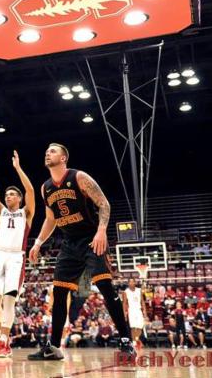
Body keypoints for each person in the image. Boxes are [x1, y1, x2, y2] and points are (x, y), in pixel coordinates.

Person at [28, 143, 135, 360]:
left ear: (64, 157)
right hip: (69, 243)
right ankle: (54, 348)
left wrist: (101, 231)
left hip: (91, 238)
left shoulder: (79, 177)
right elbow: (51, 219)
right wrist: (38, 242)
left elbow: (104, 204)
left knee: (104, 285)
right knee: (58, 293)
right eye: (46, 150)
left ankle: (126, 342)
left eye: (53, 151)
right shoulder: (45, 187)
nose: (47, 153)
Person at [0, 150, 35, 358]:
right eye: (7, 194)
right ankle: (4, 334)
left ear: (19, 198)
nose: (8, 196)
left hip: (16, 257)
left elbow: (30, 190)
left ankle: (3, 339)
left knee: (9, 299)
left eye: (12, 194)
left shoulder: (26, 213)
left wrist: (18, 168)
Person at [123, 278, 147, 348]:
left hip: (138, 309)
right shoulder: (125, 292)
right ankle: (134, 342)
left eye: (133, 281)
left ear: (135, 283)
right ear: (128, 283)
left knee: (140, 326)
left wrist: (144, 310)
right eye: (130, 282)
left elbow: (142, 301)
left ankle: (136, 339)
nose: (131, 283)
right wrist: (124, 312)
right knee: (133, 327)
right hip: (131, 310)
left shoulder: (139, 290)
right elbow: (124, 303)